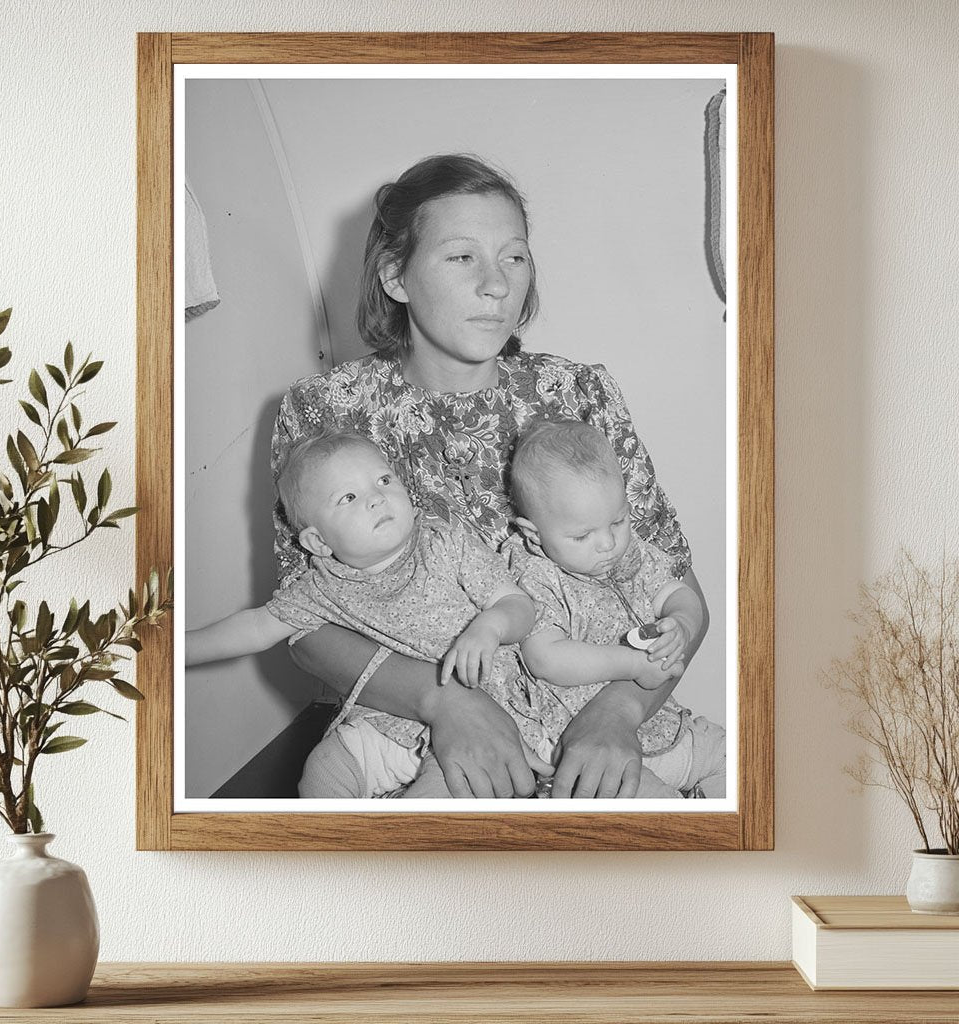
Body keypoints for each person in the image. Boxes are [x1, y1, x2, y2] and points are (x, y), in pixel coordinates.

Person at [272, 152, 710, 799]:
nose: (497, 286)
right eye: (462, 257)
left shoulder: (578, 393)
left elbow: (676, 587)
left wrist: (617, 714)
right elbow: (301, 625)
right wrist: (443, 703)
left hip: (596, 721)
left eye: (515, 257)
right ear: (395, 275)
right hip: (409, 741)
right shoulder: (322, 412)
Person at [186, 431, 539, 798]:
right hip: (385, 719)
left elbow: (519, 605)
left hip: (477, 715)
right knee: (324, 768)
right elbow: (256, 627)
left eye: (384, 480)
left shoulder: (444, 543)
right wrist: (174, 648)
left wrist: (491, 626)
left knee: (444, 791)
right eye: (349, 497)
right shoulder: (322, 586)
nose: (376, 498)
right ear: (319, 542)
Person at [508, 419, 726, 798]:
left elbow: (677, 592)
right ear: (533, 535)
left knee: (744, 758)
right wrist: (634, 665)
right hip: (582, 749)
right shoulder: (533, 574)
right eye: (582, 535)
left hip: (660, 726)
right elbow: (545, 657)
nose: (608, 543)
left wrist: (682, 622)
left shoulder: (630, 555)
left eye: (618, 521)